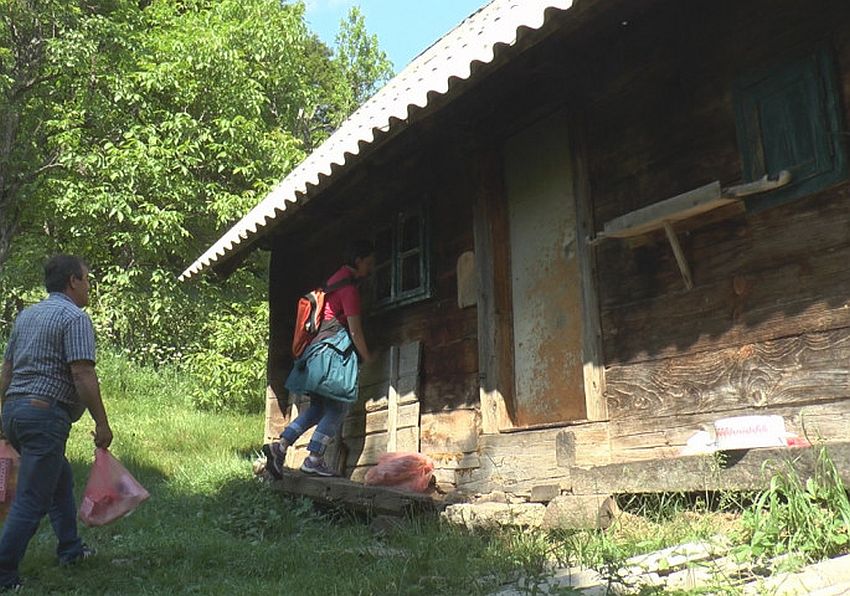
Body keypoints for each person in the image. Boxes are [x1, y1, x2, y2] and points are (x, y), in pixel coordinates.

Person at [0, 255, 113, 591]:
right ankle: (4, 574)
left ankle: (70, 550)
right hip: (44, 415)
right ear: (72, 282)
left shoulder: (27, 316)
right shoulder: (74, 318)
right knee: (32, 499)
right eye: (87, 279)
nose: (90, 286)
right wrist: (102, 423)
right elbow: (82, 374)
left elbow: (6, 371)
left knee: (59, 478)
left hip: (16, 414)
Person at [263, 240, 375, 478]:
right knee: (339, 408)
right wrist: (367, 356)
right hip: (332, 355)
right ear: (358, 261)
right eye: (369, 263)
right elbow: (354, 330)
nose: (371, 268)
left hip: (314, 354)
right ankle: (314, 457)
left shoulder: (331, 284)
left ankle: (280, 446)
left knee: (317, 408)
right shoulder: (349, 290)